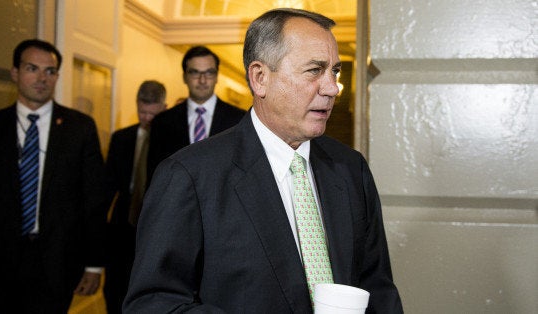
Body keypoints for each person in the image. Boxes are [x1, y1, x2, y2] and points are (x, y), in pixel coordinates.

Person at [123, 8, 403, 313]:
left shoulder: (351, 169)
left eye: (334, 71)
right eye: (314, 70)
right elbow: (153, 304)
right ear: (260, 78)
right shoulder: (189, 176)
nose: (331, 87)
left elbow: (377, 288)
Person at [0, 39, 108, 313]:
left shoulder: (79, 129)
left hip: (59, 266)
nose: (41, 78)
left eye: (50, 71)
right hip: (0, 264)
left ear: (57, 76)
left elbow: (93, 201)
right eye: (32, 68)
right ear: (15, 73)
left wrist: (94, 264)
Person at [103, 80, 167, 313]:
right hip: (122, 222)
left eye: (153, 113)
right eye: (142, 112)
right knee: (116, 287)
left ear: (164, 107)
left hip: (156, 222)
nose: (147, 118)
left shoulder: (171, 139)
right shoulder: (121, 138)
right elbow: (108, 185)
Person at [146, 45, 245, 180]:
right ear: (184, 77)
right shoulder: (162, 122)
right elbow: (155, 175)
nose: (202, 80)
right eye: (195, 73)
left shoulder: (239, 120)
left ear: (216, 77)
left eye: (209, 73)